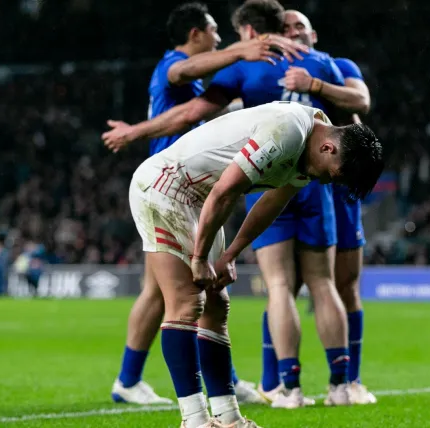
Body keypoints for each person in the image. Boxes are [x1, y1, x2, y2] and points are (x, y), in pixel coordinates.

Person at [103, 0, 366, 408]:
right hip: (176, 183)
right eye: (213, 30)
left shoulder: (240, 78)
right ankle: (176, 400)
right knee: (182, 297)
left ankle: (232, 397)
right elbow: (360, 104)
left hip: (214, 185)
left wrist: (229, 254)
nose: (220, 38)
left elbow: (198, 119)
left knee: (206, 296)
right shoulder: (304, 70)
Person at [127, 101, 383, 428]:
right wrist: (202, 257)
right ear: (329, 148)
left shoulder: (311, 146)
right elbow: (225, 191)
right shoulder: (288, 131)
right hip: (167, 188)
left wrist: (230, 254)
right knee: (188, 302)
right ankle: (194, 420)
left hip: (197, 200)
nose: (329, 182)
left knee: (217, 307)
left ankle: (229, 419)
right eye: (336, 174)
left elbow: (270, 204)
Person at [256, 9, 378, 405]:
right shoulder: (266, 70)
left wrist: (314, 83)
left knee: (344, 283)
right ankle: (271, 381)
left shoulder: (334, 65)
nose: (292, 33)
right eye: (286, 28)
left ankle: (349, 380)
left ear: (313, 33)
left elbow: (361, 102)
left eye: (299, 28)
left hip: (335, 185)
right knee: (284, 286)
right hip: (292, 179)